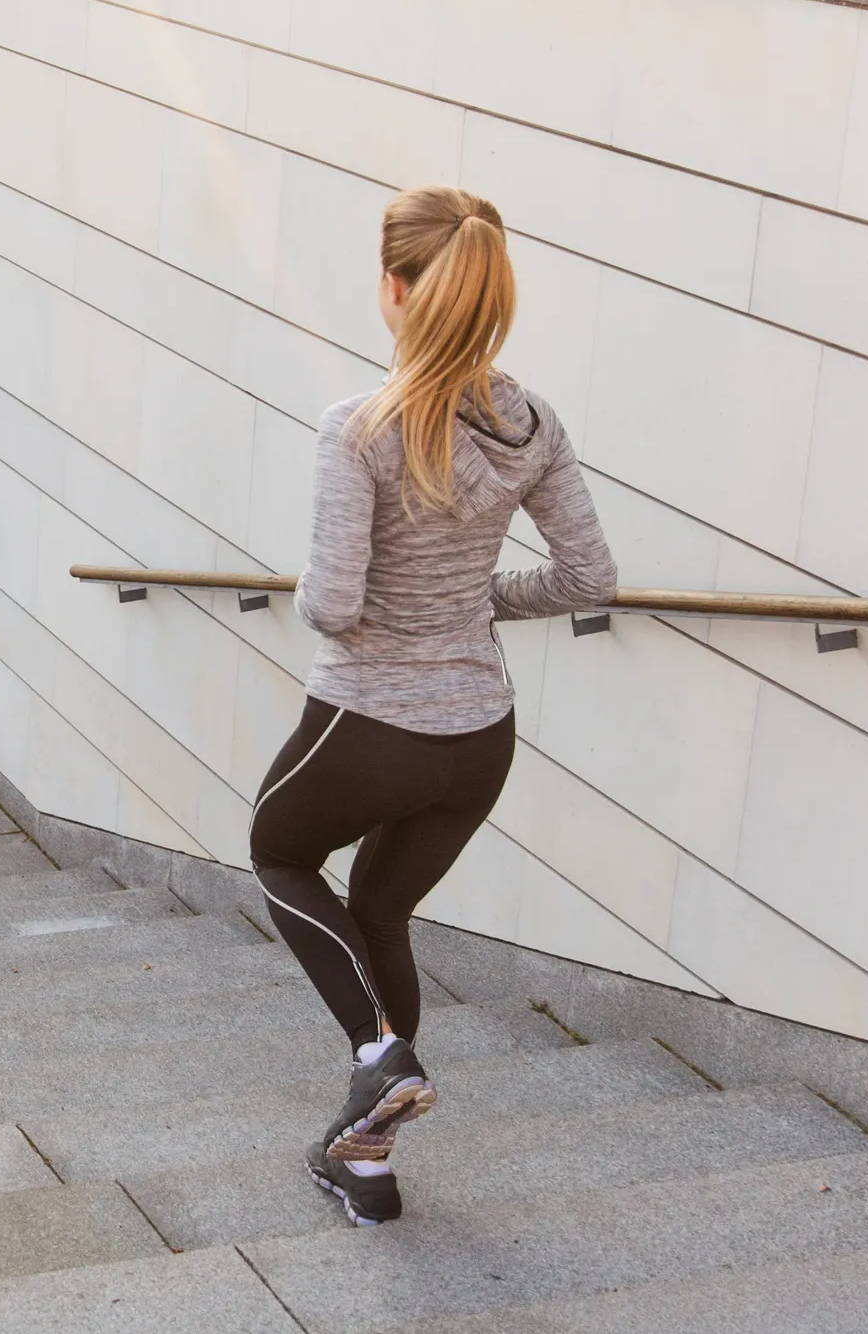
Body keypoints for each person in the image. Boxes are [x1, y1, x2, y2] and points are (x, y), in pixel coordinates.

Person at [252, 186, 616, 1227]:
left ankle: (380, 1052)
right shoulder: (531, 422)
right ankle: (366, 1155)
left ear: (396, 289)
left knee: (277, 852)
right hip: (479, 735)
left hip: (373, 720)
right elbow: (590, 575)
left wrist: (431, 597)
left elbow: (331, 603)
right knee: (380, 913)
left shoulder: (358, 426)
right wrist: (484, 597)